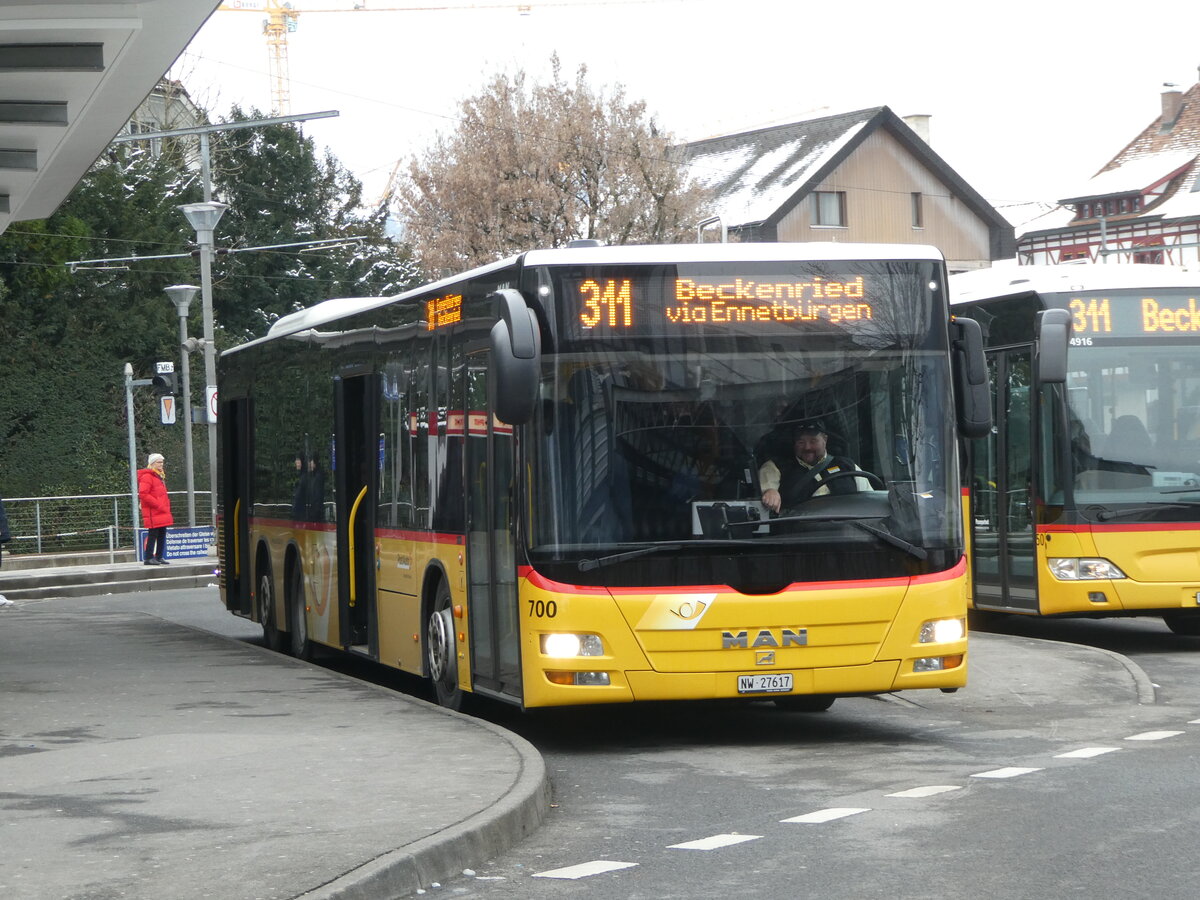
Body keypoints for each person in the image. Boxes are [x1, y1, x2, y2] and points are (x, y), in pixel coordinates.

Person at [759, 421, 871, 514]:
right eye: (801, 442)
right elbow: (766, 490)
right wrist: (770, 492)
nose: (807, 447)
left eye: (813, 441)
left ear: (825, 440)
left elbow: (869, 500)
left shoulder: (848, 466)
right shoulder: (776, 467)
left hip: (848, 534)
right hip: (801, 536)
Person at [138, 453, 174, 565]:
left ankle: (159, 556)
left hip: (162, 510)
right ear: (152, 463)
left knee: (162, 533)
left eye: (162, 462)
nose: (161, 464)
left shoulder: (160, 476)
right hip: (154, 510)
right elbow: (143, 494)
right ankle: (148, 557)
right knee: (153, 534)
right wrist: (157, 504)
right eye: (159, 462)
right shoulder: (147, 476)